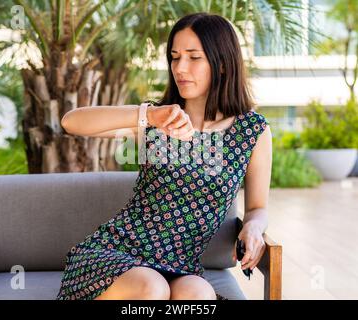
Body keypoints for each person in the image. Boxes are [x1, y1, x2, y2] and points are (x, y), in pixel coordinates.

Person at [56, 12, 272, 300]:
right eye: (175, 56)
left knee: (198, 296)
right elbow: (71, 122)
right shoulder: (158, 119)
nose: (180, 67)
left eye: (194, 57)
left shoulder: (252, 131)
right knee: (151, 288)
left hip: (182, 266)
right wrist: (148, 115)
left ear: (222, 64)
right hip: (117, 254)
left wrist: (254, 227)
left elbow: (257, 206)